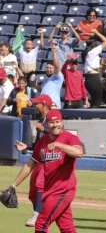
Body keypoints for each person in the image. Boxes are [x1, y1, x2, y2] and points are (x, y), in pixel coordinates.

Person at [9, 109, 83, 232]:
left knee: (41, 223)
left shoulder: (70, 138)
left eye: (58, 122)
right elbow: (30, 164)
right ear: (46, 124)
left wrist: (59, 145)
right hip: (50, 190)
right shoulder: (42, 141)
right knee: (67, 227)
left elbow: (79, 153)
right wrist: (14, 184)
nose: (55, 125)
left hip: (62, 190)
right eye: (52, 123)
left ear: (62, 122)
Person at [13, 94, 52, 227]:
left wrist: (46, 129)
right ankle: (41, 216)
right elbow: (38, 144)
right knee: (33, 194)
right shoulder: (42, 120)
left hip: (50, 162)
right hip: (39, 159)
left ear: (44, 105)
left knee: (40, 184)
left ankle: (37, 215)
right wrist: (27, 146)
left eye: (37, 103)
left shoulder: (52, 118)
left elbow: (60, 134)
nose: (34, 106)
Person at [82, 29, 106, 108]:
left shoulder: (85, 53)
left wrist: (101, 65)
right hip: (94, 78)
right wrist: (97, 32)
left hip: (89, 78)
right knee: (97, 102)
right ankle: (90, 118)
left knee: (93, 101)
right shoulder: (93, 51)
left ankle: (88, 117)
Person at [36, 44, 64, 109]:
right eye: (47, 68)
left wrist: (54, 52)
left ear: (54, 69)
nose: (48, 69)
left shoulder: (57, 77)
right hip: (44, 105)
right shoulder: (46, 80)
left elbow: (57, 66)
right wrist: (34, 82)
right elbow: (40, 89)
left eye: (50, 68)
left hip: (53, 105)